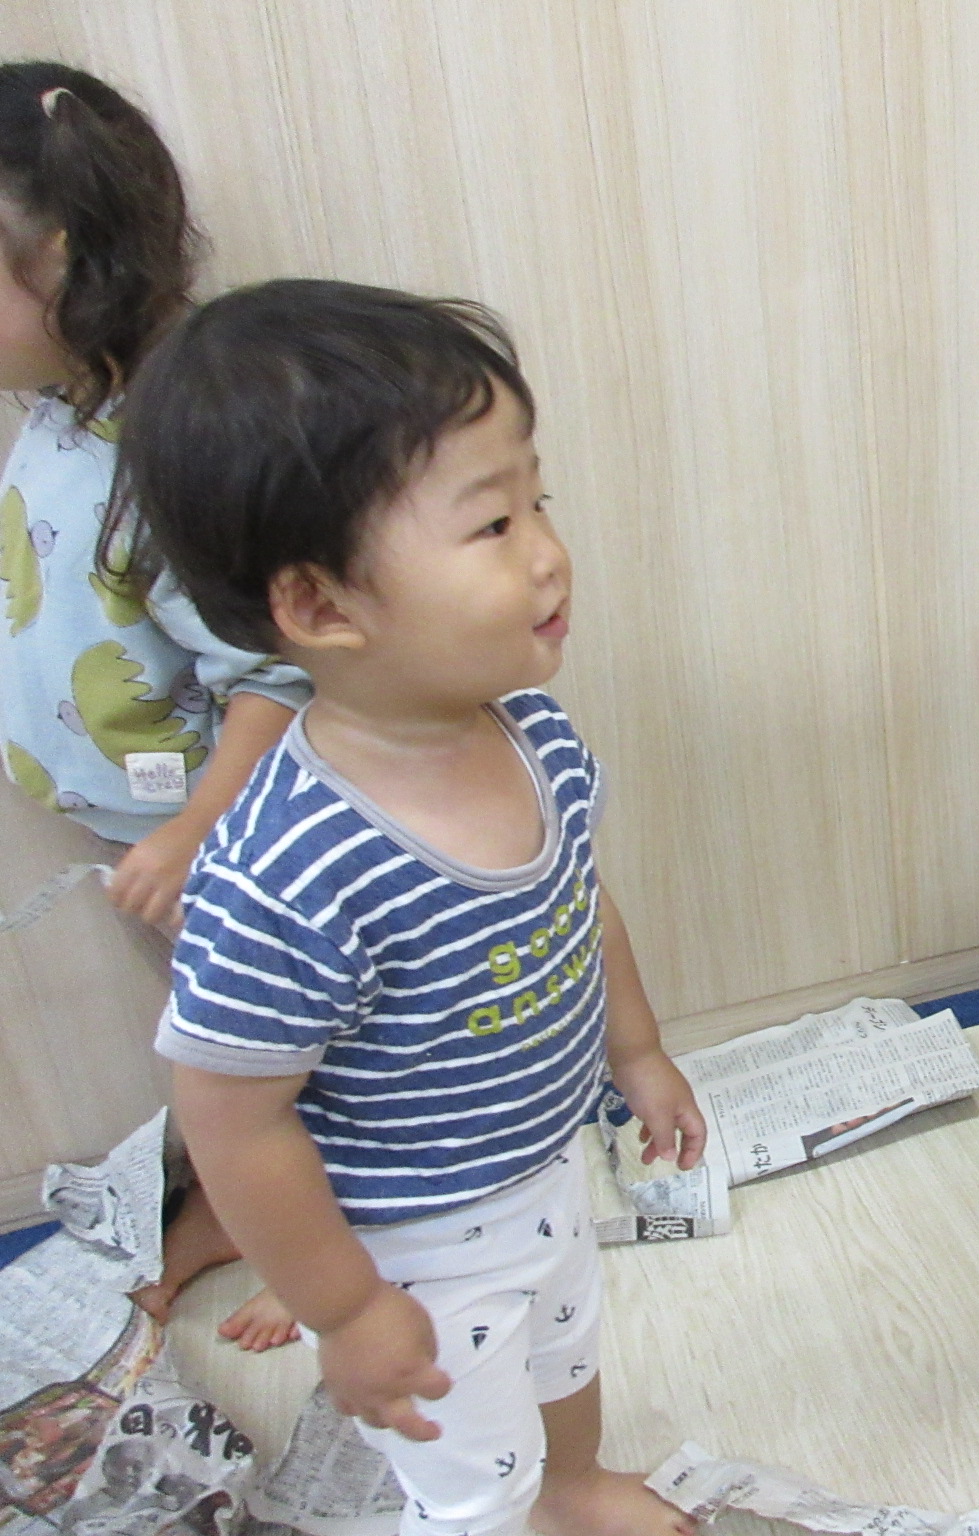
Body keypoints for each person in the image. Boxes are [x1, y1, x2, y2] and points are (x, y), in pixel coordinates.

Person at [131, 278, 706, 1536]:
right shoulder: (290, 870)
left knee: (564, 1354)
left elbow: (579, 904)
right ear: (319, 606)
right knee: (470, 1479)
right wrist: (343, 1306)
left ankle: (572, 1489)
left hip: (544, 1161)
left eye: (538, 500)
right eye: (490, 522)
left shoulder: (532, 730)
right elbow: (230, 1115)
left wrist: (638, 1052)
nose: (546, 549)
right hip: (411, 1241)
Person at [0, 59, 304, 1348]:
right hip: (144, 834)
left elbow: (273, 678)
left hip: (222, 836)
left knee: (278, 1052)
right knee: (221, 1047)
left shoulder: (166, 452)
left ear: (61, 264)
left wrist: (191, 832)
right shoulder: (55, 410)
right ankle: (244, 1203)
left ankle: (318, 1241)